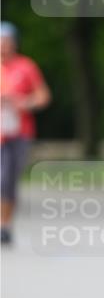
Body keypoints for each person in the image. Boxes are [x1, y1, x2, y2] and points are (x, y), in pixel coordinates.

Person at [0, 22, 51, 245]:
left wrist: (24, 103)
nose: (4, 46)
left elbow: (43, 96)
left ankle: (5, 225)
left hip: (20, 132)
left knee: (9, 181)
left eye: (7, 41)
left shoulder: (26, 66)